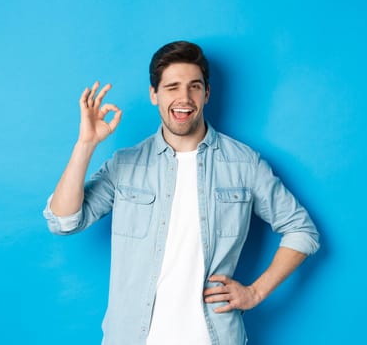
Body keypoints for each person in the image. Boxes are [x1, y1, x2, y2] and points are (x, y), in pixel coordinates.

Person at [43, 41, 320, 345]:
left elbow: (301, 230)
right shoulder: (126, 164)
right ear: (154, 94)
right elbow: (64, 221)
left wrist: (255, 292)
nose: (184, 98)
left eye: (194, 87)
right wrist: (85, 145)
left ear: (207, 93)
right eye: (172, 87)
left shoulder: (244, 164)